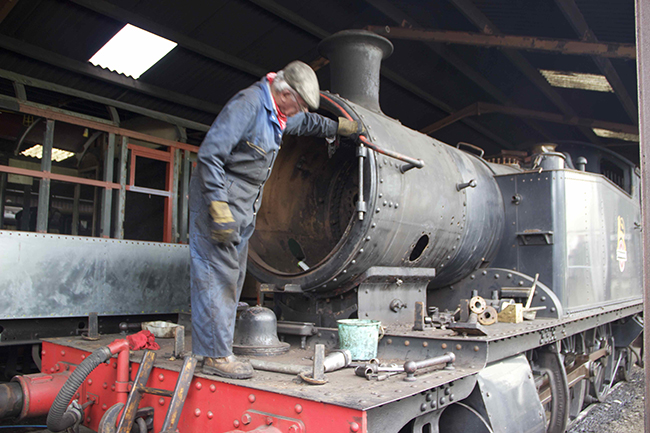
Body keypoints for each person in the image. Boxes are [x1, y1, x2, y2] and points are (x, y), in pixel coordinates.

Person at [189, 61, 361, 379]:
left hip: (242, 205)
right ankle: (215, 356)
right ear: (284, 92)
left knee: (233, 275)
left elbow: (307, 123)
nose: (299, 111)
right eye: (298, 104)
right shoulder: (249, 104)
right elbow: (210, 155)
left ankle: (214, 347)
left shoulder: (281, 115)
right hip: (219, 200)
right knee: (218, 275)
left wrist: (340, 128)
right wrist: (219, 209)